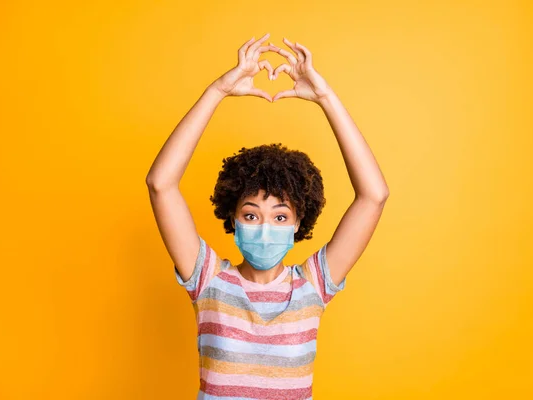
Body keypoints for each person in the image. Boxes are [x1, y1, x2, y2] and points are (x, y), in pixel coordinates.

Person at [146, 33, 389, 400]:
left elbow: (374, 195)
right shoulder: (209, 280)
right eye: (250, 214)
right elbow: (160, 184)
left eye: (279, 216)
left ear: (297, 223)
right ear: (233, 218)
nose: (264, 228)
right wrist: (217, 91)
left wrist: (326, 98)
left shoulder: (312, 287)